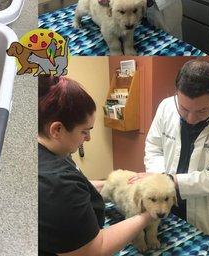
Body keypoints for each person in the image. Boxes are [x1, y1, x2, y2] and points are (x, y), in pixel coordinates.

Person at [38, 76, 154, 256]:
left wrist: (117, 183)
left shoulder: (52, 151)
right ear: (57, 130)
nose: (88, 138)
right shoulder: (55, 182)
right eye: (85, 131)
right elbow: (94, 249)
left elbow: (77, 188)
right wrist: (148, 215)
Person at [132, 59, 209, 243]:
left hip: (206, 216)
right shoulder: (166, 106)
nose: (190, 118)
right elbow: (154, 148)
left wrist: (173, 181)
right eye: (184, 108)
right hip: (166, 207)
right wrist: (160, 179)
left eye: (202, 110)